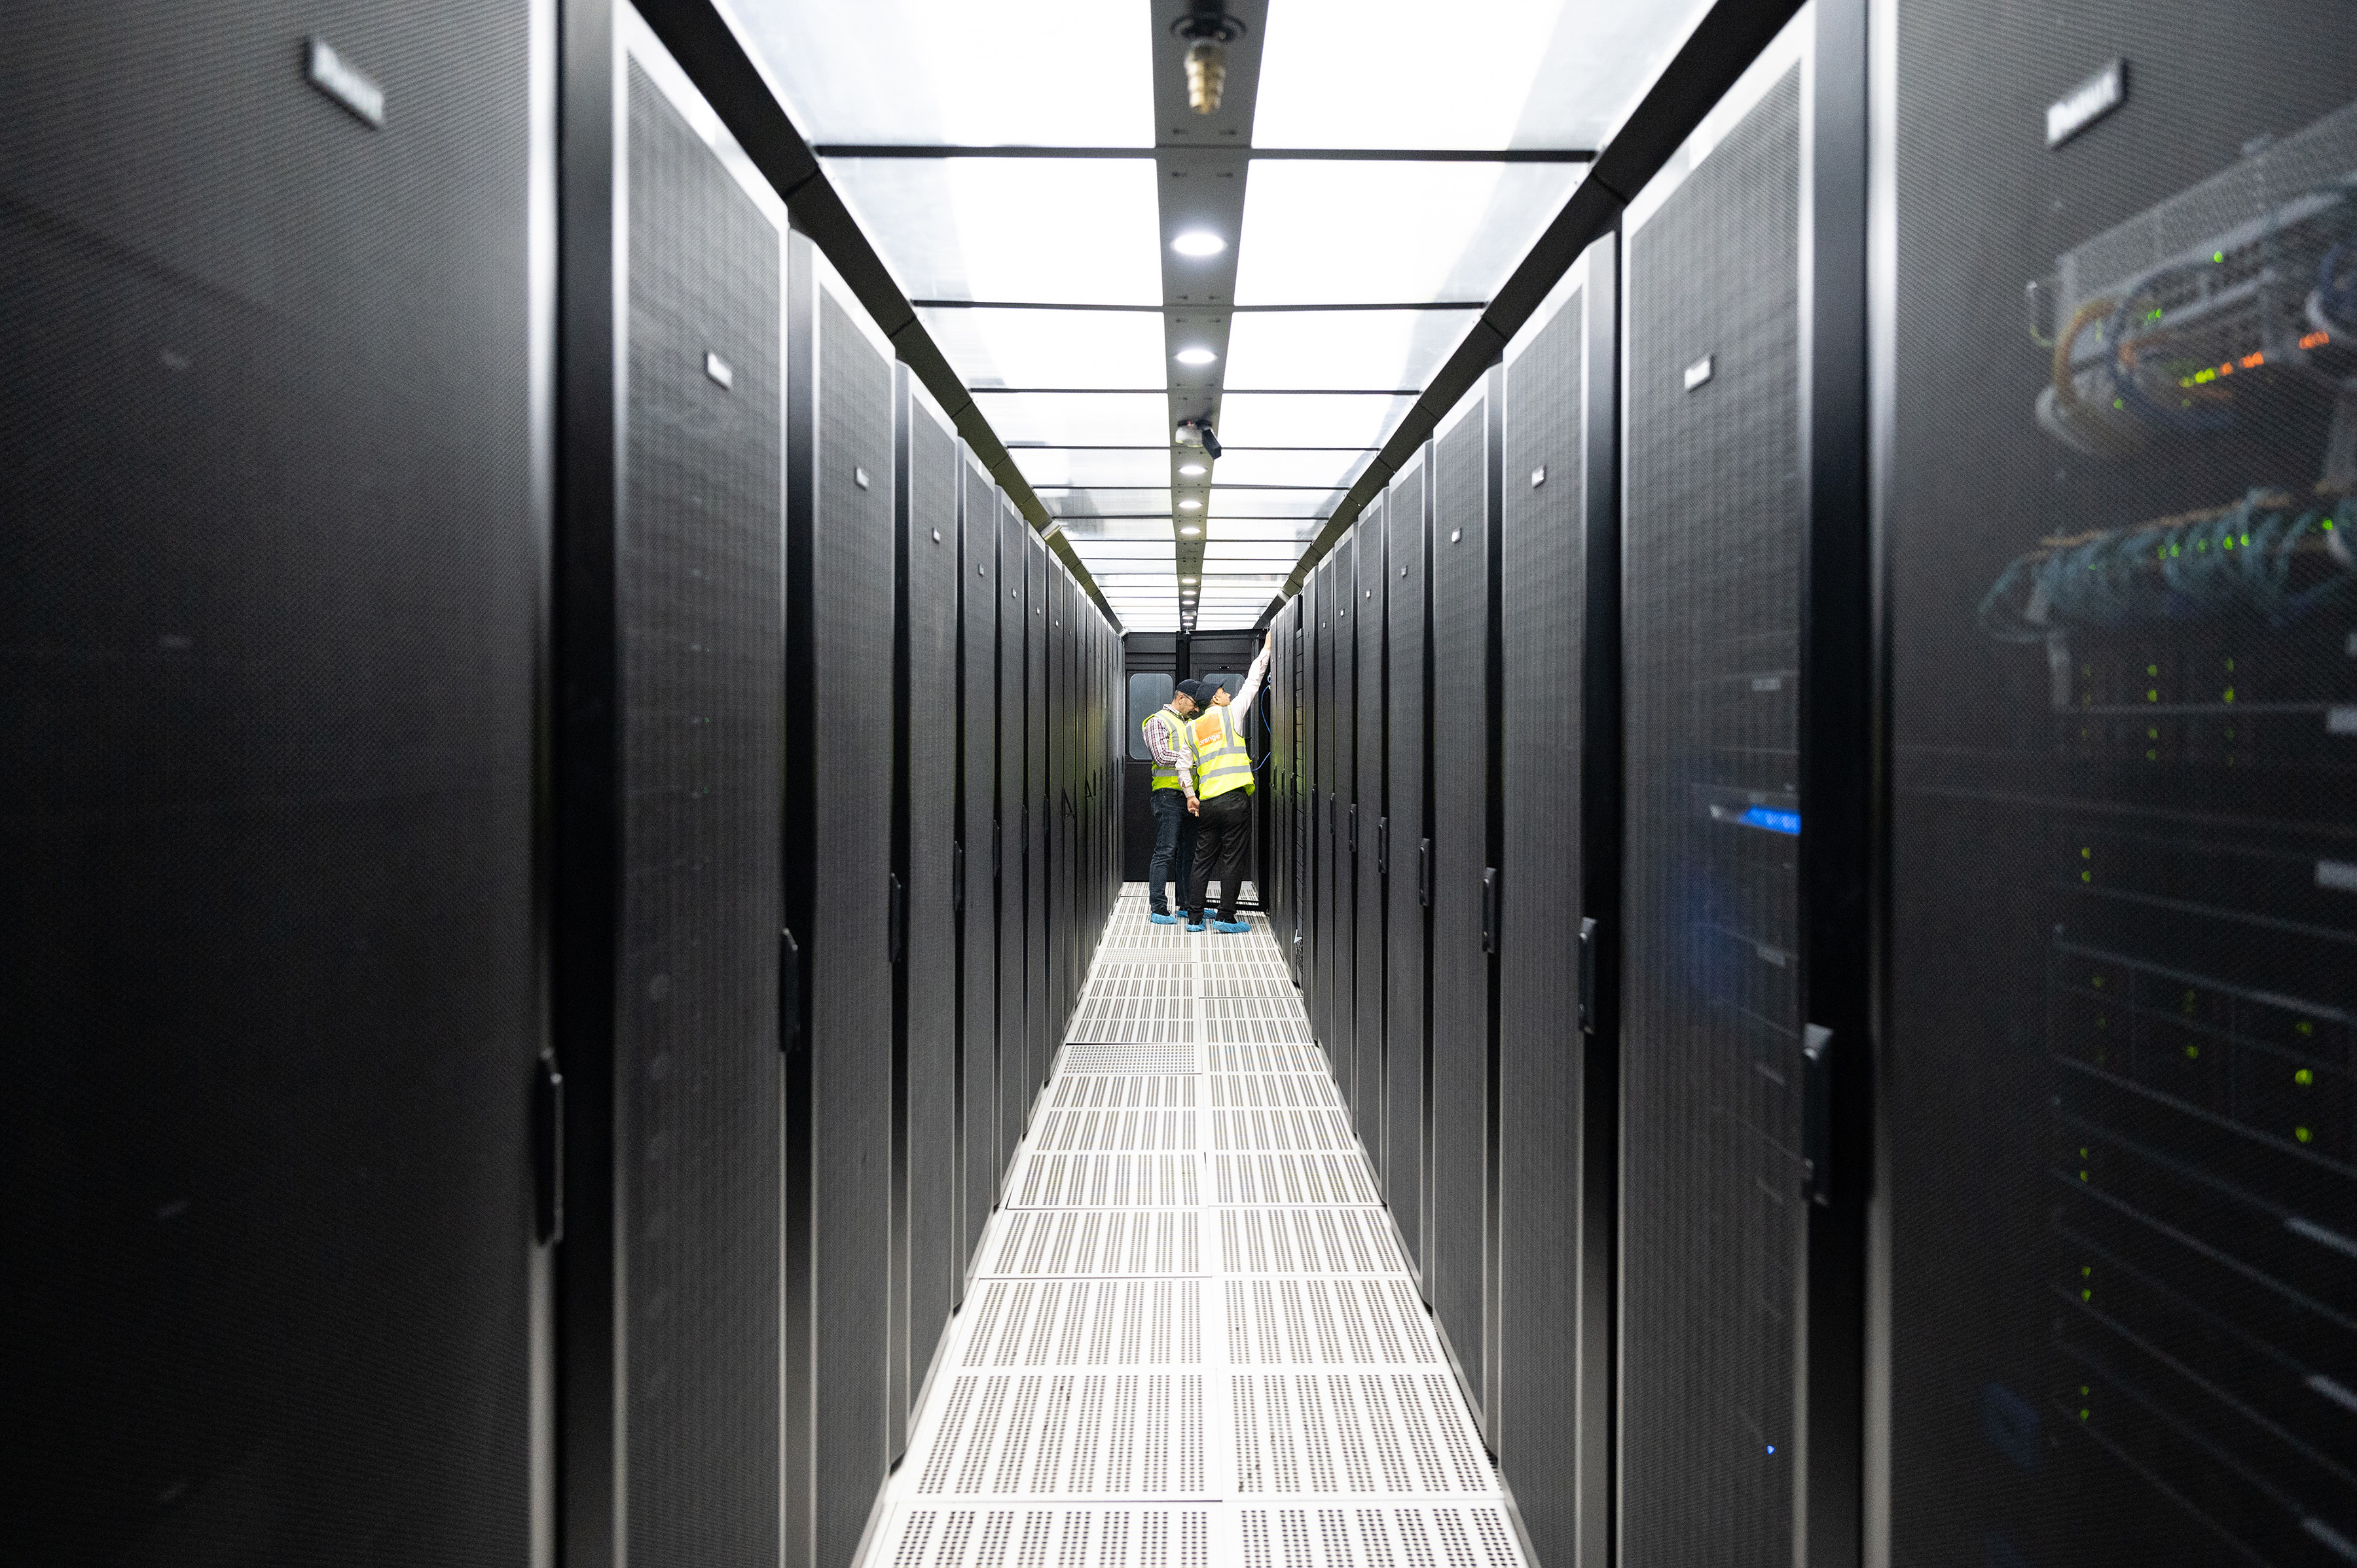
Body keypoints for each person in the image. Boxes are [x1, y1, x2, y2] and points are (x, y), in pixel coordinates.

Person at [1182, 630, 1272, 933]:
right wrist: (1268, 647)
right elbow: (1253, 681)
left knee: (1202, 859)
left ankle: (1195, 918)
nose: (1228, 694)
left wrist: (1190, 796)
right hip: (1234, 800)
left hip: (1207, 802)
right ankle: (1225, 917)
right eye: (1223, 692)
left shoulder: (1191, 730)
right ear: (1215, 699)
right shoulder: (1230, 715)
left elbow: (1184, 766)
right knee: (1232, 859)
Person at [1141, 680, 1204, 923]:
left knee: (1188, 854)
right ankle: (1158, 908)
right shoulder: (1158, 721)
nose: (1196, 709)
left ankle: (1186, 906)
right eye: (1193, 703)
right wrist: (1194, 759)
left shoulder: (1188, 724)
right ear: (1180, 698)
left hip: (1190, 798)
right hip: (1168, 797)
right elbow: (1162, 755)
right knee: (1165, 852)